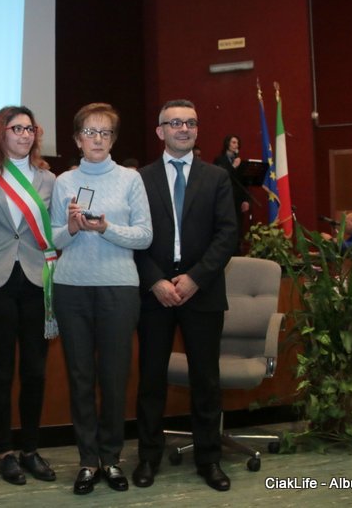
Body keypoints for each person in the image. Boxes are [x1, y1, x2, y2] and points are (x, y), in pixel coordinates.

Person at [133, 99, 237, 492]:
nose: (184, 129)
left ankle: (209, 459)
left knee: (206, 380)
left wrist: (195, 278)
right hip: (154, 294)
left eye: (190, 123)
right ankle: (148, 457)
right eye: (175, 123)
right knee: (151, 380)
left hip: (202, 292)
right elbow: (133, 238)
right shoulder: (140, 179)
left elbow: (228, 234)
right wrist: (156, 281)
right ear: (160, 131)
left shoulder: (217, 178)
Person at [49, 103, 152, 496]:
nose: (97, 139)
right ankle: (87, 461)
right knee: (80, 378)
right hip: (72, 287)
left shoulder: (130, 179)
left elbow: (145, 236)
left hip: (118, 288)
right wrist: (72, 228)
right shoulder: (64, 181)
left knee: (113, 376)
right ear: (77, 139)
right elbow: (53, 238)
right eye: (89, 132)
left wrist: (107, 228)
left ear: (113, 139)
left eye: (105, 132)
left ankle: (111, 458)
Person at [0, 106, 57, 486]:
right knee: (1, 370)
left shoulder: (48, 179)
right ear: (1, 132)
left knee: (35, 371)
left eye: (29, 129)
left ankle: (30, 449)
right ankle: (4, 451)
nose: (25, 135)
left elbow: (56, 230)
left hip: (37, 281)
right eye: (16, 128)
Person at [213, 134, 250, 254]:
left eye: (237, 143)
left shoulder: (239, 161)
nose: (236, 145)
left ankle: (237, 251)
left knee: (238, 227)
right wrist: (233, 166)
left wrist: (246, 200)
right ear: (227, 144)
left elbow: (244, 182)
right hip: (225, 199)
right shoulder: (220, 160)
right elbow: (221, 178)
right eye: (234, 142)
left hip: (238, 200)